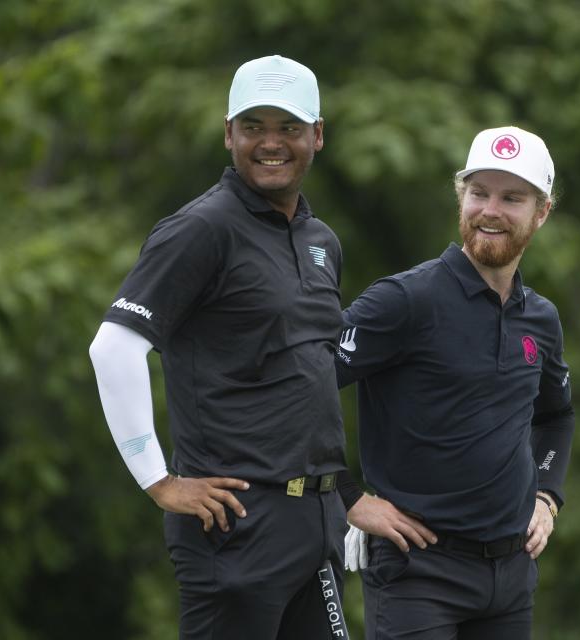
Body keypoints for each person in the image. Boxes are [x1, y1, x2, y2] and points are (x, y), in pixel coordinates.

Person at [89, 55, 361, 639]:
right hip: (238, 522)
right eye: (253, 127)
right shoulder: (200, 229)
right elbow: (113, 348)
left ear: (317, 135)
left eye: (288, 128)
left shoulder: (321, 241)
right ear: (228, 134)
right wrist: (158, 480)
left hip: (316, 519)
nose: (270, 143)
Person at [339, 126, 575, 639]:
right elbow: (302, 384)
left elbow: (556, 416)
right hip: (417, 572)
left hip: (511, 577)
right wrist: (346, 496)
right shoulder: (403, 301)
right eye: (479, 193)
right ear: (460, 197)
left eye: (512, 197)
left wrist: (548, 496)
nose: (491, 210)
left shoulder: (540, 319)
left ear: (541, 212)